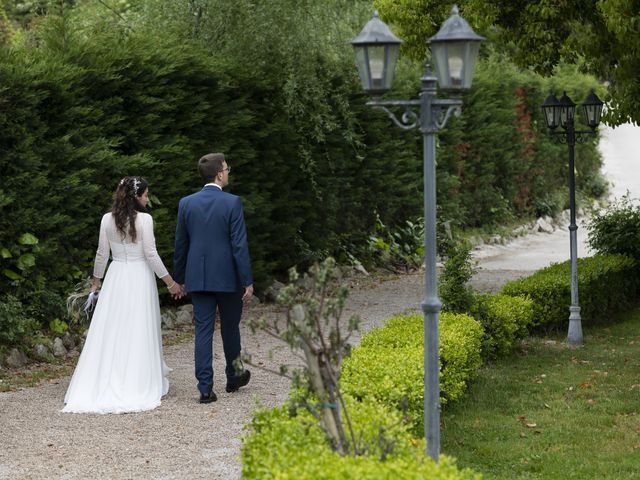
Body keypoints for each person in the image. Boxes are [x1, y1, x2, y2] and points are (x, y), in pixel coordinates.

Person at [62, 176, 182, 414]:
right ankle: (136, 379)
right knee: (137, 325)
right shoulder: (145, 220)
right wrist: (170, 282)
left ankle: (109, 375)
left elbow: (101, 253)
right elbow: (150, 253)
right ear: (137, 197)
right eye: (146, 195)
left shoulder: (107, 219)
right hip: (139, 277)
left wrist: (96, 282)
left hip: (116, 275)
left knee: (113, 327)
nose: (147, 199)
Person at [173, 153, 253, 404]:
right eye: (227, 169)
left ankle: (205, 387)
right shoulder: (232, 203)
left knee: (203, 331)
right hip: (228, 277)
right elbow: (239, 245)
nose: (228, 173)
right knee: (230, 328)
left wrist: (180, 277)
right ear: (219, 174)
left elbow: (181, 245)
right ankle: (234, 374)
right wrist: (247, 279)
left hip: (198, 276)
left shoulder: (186, 203)